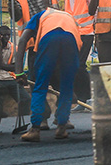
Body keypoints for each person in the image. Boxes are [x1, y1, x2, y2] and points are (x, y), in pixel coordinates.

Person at [14, 8, 81, 142]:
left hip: (49, 39)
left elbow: (22, 41)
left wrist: (19, 72)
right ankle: (61, 127)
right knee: (66, 87)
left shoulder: (39, 16)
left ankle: (35, 129)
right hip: (72, 42)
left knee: (40, 84)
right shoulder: (69, 16)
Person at [55, 0, 94, 111]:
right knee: (75, 65)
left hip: (87, 33)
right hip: (74, 34)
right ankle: (82, 99)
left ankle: (86, 98)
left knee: (79, 65)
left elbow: (94, 11)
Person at [0, 26, 31, 110]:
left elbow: (15, 67)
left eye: (8, 35)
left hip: (10, 78)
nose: (7, 38)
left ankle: (23, 117)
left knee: (26, 99)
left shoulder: (14, 48)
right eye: (4, 35)